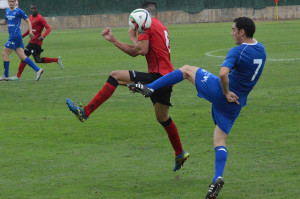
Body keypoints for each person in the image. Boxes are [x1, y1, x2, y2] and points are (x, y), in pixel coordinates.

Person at [128, 17, 266, 199]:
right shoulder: (261, 49)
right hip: (236, 102)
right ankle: (217, 178)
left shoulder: (238, 51)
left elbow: (223, 73)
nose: (231, 33)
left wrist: (225, 92)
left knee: (186, 70)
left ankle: (150, 88)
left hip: (223, 93)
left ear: (242, 32)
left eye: (233, 30)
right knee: (219, 140)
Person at [66, 1, 189, 171]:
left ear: (143, 16)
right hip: (166, 79)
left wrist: (113, 39)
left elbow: (138, 51)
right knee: (163, 118)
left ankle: (85, 112)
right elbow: (143, 48)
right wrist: (135, 36)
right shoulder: (160, 26)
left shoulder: (148, 27)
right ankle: (180, 153)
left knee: (115, 76)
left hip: (157, 77)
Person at [9, 3, 63, 81]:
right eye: (31, 8)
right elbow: (30, 30)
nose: (33, 10)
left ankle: (18, 76)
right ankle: (56, 60)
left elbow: (48, 28)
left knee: (23, 56)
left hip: (36, 42)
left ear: (37, 9)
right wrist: (22, 36)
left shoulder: (40, 18)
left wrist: (43, 36)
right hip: (33, 42)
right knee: (37, 60)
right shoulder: (30, 17)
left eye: (34, 8)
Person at [0, 0, 43, 81]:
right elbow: (6, 21)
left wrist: (30, 32)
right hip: (16, 37)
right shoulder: (7, 11)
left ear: (15, 2)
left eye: (13, 1)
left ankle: (6, 76)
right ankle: (38, 70)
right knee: (22, 56)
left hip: (15, 36)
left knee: (4, 53)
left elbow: (28, 21)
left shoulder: (19, 11)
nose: (11, 3)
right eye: (10, 1)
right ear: (8, 2)